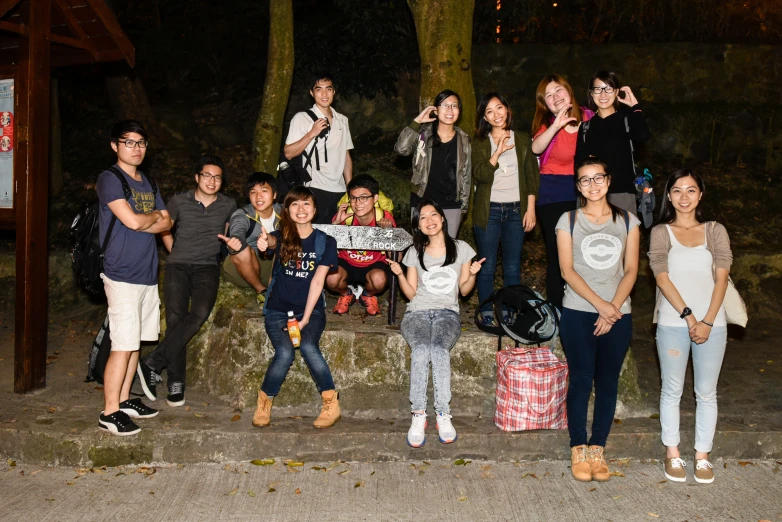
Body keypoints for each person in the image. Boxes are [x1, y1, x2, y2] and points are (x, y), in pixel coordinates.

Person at [226, 186, 341, 429]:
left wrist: (306, 318)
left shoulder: (325, 242)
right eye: (295, 205)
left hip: (310, 309)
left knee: (309, 345)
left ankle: (331, 402)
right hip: (278, 309)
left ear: (315, 209)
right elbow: (272, 241)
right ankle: (265, 400)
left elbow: (319, 282)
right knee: (285, 352)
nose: (301, 209)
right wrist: (265, 241)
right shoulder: (283, 236)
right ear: (287, 210)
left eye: (306, 204)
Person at [556, 157, 640, 481]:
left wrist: (613, 308)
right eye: (585, 180)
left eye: (598, 178)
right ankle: (578, 446)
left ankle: (598, 448)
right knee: (580, 380)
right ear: (578, 186)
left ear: (608, 180)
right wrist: (601, 306)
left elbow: (631, 269)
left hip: (619, 313)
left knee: (607, 383)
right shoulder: (569, 221)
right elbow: (567, 270)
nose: (593, 184)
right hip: (578, 311)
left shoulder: (628, 221)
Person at [648, 169, 731, 484]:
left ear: (700, 194)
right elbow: (661, 276)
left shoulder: (715, 230)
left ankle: (702, 456)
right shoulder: (660, 232)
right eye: (678, 190)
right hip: (672, 322)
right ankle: (673, 454)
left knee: (706, 392)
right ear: (668, 196)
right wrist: (690, 317)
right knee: (671, 389)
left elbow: (721, 276)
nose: (684, 197)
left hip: (714, 324)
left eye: (691, 190)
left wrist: (707, 320)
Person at [137, 155, 236, 408]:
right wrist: (174, 253)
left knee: (200, 313)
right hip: (177, 267)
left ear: (221, 182)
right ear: (197, 177)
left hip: (207, 267)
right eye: (206, 175)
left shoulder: (228, 204)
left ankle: (152, 361)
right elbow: (166, 227)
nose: (211, 181)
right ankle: (176, 381)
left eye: (217, 177)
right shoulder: (180, 200)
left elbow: (232, 231)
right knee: (175, 320)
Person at [387, 200, 484, 448]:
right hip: (416, 314)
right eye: (422, 217)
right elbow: (411, 294)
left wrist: (472, 274)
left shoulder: (461, 249)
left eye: (433, 215)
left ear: (442, 218)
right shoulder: (413, 252)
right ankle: (418, 414)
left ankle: (443, 413)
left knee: (439, 350)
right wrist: (399, 273)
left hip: (447, 314)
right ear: (418, 225)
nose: (429, 220)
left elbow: (463, 291)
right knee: (420, 351)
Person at [96, 120, 171, 435]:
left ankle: (125, 399)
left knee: (136, 340)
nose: (136, 148)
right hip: (121, 272)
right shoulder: (110, 179)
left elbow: (165, 223)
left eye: (141, 142)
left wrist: (148, 219)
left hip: (146, 272)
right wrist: (150, 218)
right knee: (122, 344)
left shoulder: (148, 183)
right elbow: (132, 221)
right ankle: (109, 411)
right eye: (129, 142)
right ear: (115, 146)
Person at [472, 92, 539, 325]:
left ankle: (510, 309)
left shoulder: (522, 139)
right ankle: (488, 309)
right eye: (489, 111)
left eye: (499, 108)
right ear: (485, 118)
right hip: (489, 210)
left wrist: (530, 209)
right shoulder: (480, 142)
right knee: (487, 265)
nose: (496, 114)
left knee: (512, 265)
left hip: (516, 210)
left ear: (507, 109)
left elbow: (531, 177)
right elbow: (480, 175)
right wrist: (498, 151)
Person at [531, 75, 593, 311]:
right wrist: (557, 124)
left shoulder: (589, 117)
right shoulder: (547, 124)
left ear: (569, 91)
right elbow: (536, 147)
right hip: (553, 193)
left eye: (558, 90)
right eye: (548, 95)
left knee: (585, 252)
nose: (555, 97)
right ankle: (557, 309)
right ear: (544, 104)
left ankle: (584, 305)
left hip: (587, 190)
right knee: (559, 254)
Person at [394, 90, 471, 238]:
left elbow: (466, 175)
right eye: (445, 105)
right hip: (422, 201)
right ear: (436, 109)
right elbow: (401, 149)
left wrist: (463, 207)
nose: (450, 109)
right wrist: (417, 121)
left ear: (459, 111)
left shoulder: (464, 140)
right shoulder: (423, 134)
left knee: (448, 252)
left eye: (454, 106)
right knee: (421, 251)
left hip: (451, 204)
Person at [575, 70, 651, 215]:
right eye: (598, 89)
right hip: (592, 194)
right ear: (591, 93)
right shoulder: (586, 127)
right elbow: (579, 166)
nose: (603, 94)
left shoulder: (626, 120)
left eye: (608, 89)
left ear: (616, 92)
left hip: (622, 194)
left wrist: (635, 106)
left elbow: (642, 136)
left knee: (624, 236)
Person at [284, 73, 353, 225]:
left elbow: (346, 155)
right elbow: (288, 153)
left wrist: (350, 188)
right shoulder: (302, 118)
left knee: (337, 237)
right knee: (317, 234)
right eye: (318, 89)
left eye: (328, 89)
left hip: (340, 190)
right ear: (311, 92)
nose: (324, 94)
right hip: (315, 187)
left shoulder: (343, 120)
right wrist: (312, 133)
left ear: (334, 91)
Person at [327, 174, 396, 316]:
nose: (358, 203)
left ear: (375, 198)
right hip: (346, 261)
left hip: (374, 263)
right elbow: (325, 248)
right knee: (331, 279)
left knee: (379, 280)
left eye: (364, 197)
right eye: (353, 198)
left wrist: (387, 234)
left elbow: (397, 257)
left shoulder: (384, 218)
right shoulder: (344, 216)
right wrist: (335, 225)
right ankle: (346, 294)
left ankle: (368, 295)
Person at [221, 172, 281, 307]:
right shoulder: (242, 215)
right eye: (253, 192)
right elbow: (237, 231)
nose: (258, 196)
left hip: (270, 267)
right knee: (242, 249)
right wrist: (234, 242)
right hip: (242, 269)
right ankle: (261, 291)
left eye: (264, 191)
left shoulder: (284, 212)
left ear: (275, 194)